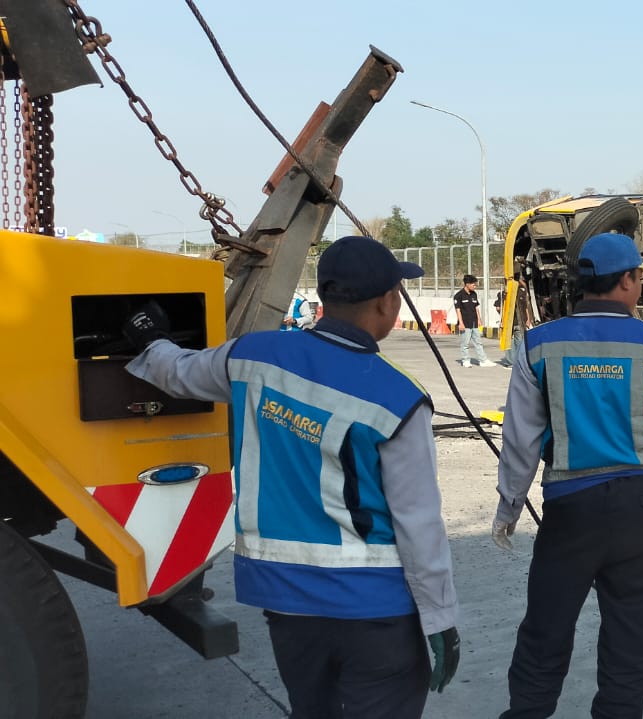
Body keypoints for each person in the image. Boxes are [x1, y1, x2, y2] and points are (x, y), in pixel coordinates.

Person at [121, 235, 461, 717]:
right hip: (375, 609)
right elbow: (419, 522)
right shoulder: (398, 397)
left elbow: (179, 372)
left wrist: (148, 337)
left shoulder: (251, 358)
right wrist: (440, 618)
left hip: (286, 604)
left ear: (325, 297)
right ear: (388, 303)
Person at [491, 232, 643, 719]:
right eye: (639, 279)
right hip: (641, 512)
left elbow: (521, 440)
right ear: (628, 280)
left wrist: (508, 507)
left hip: (570, 510)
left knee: (546, 628)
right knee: (634, 638)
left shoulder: (539, 344)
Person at [454, 273, 492, 367]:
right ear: (467, 284)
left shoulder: (474, 294)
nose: (475, 286)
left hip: (474, 322)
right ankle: (465, 360)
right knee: (465, 343)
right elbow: (458, 310)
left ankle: (483, 360)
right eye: (473, 284)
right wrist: (461, 323)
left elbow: (476, 308)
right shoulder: (459, 296)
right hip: (465, 323)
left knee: (478, 342)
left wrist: (479, 319)